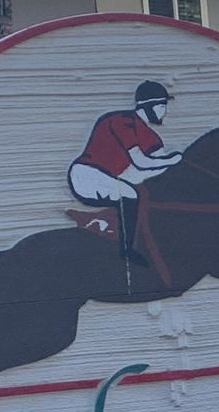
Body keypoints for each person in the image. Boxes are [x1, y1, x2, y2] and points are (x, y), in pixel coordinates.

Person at [67, 80, 184, 282]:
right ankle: (127, 249)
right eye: (162, 106)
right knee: (130, 194)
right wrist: (173, 159)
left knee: (145, 192)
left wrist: (172, 163)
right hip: (86, 174)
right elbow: (141, 161)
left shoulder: (151, 136)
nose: (164, 112)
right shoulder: (122, 121)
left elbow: (157, 169)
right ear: (149, 106)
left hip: (115, 176)